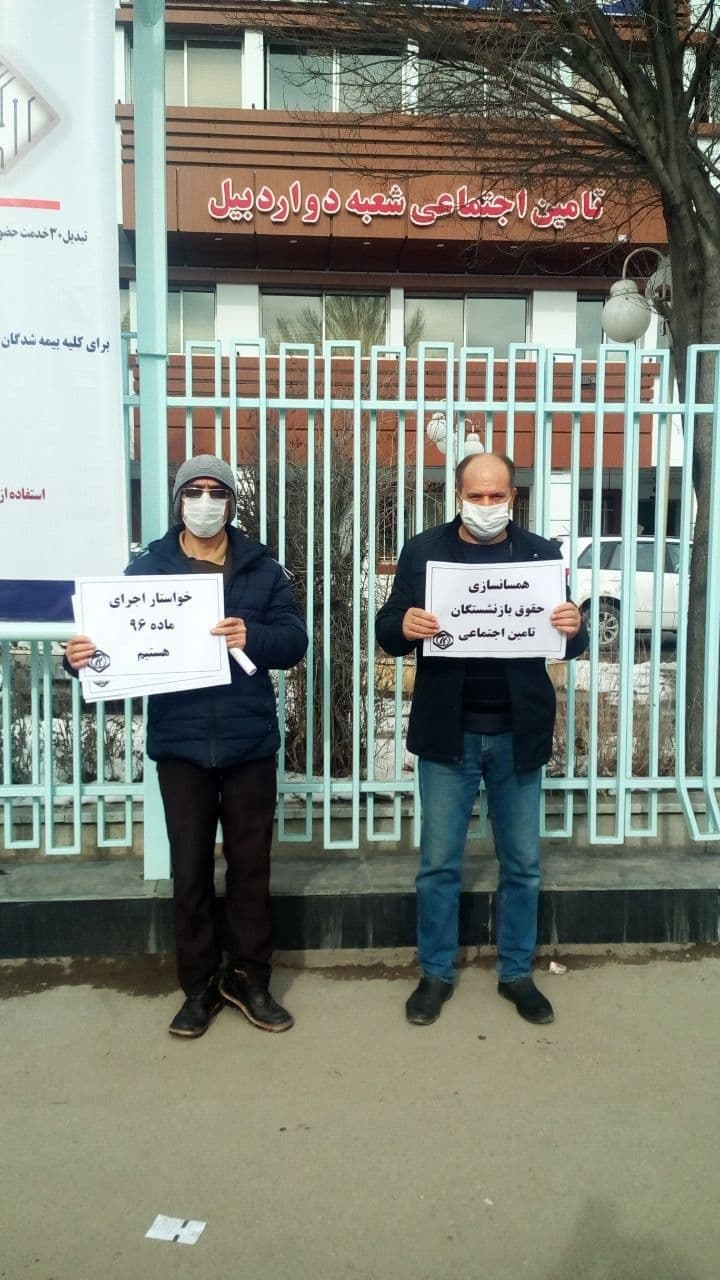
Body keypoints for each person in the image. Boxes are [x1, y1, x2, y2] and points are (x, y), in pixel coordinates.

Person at [66, 455, 308, 1039]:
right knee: (190, 869)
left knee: (250, 869)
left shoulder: (262, 568)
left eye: (216, 492)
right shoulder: (147, 569)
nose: (205, 502)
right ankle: (198, 986)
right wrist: (79, 661)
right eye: (194, 491)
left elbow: (294, 640)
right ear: (178, 500)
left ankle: (249, 979)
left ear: (232, 503)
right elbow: (112, 647)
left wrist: (253, 635)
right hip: (181, 745)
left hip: (249, 743)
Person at [375, 453, 587, 1027]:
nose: (487, 506)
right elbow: (387, 629)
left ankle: (516, 972)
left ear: (513, 497)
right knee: (439, 864)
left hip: (518, 733)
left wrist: (574, 628)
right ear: (458, 496)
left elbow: (569, 640)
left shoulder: (540, 555)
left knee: (521, 864)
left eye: (497, 496)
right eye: (477, 496)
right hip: (449, 733)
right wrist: (405, 625)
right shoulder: (424, 551)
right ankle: (435, 973)